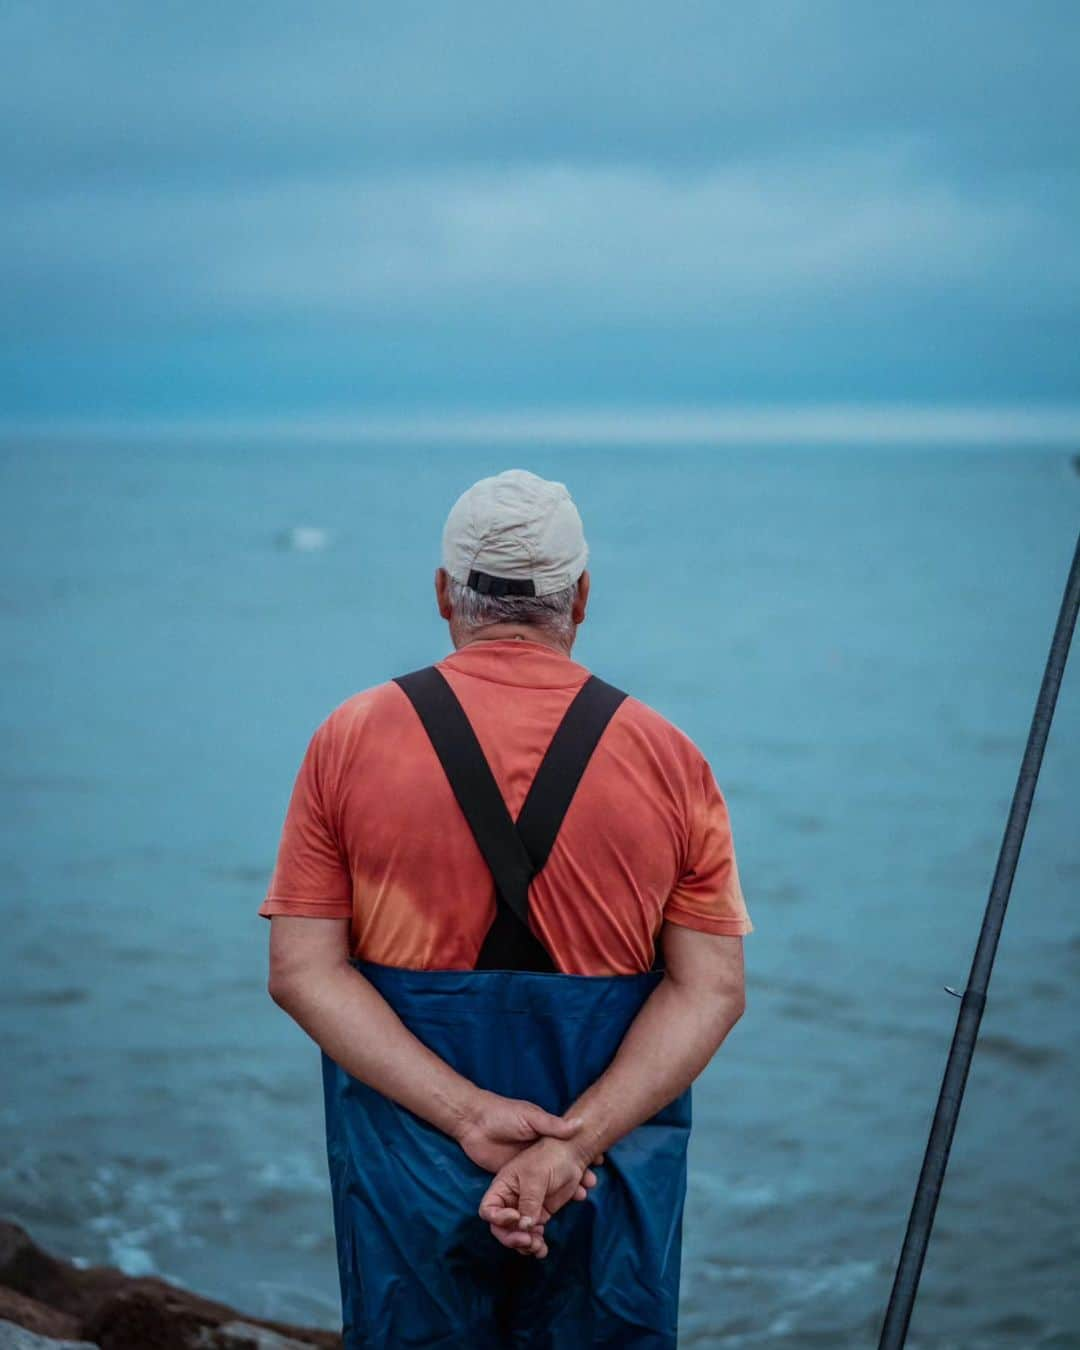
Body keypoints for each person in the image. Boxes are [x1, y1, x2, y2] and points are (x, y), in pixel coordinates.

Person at [260, 468, 752, 1349]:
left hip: (411, 1156)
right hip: (606, 1166)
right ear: (583, 597)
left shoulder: (350, 738)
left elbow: (303, 973)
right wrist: (572, 1144)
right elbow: (710, 990)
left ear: (446, 593)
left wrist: (464, 1115)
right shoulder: (672, 758)